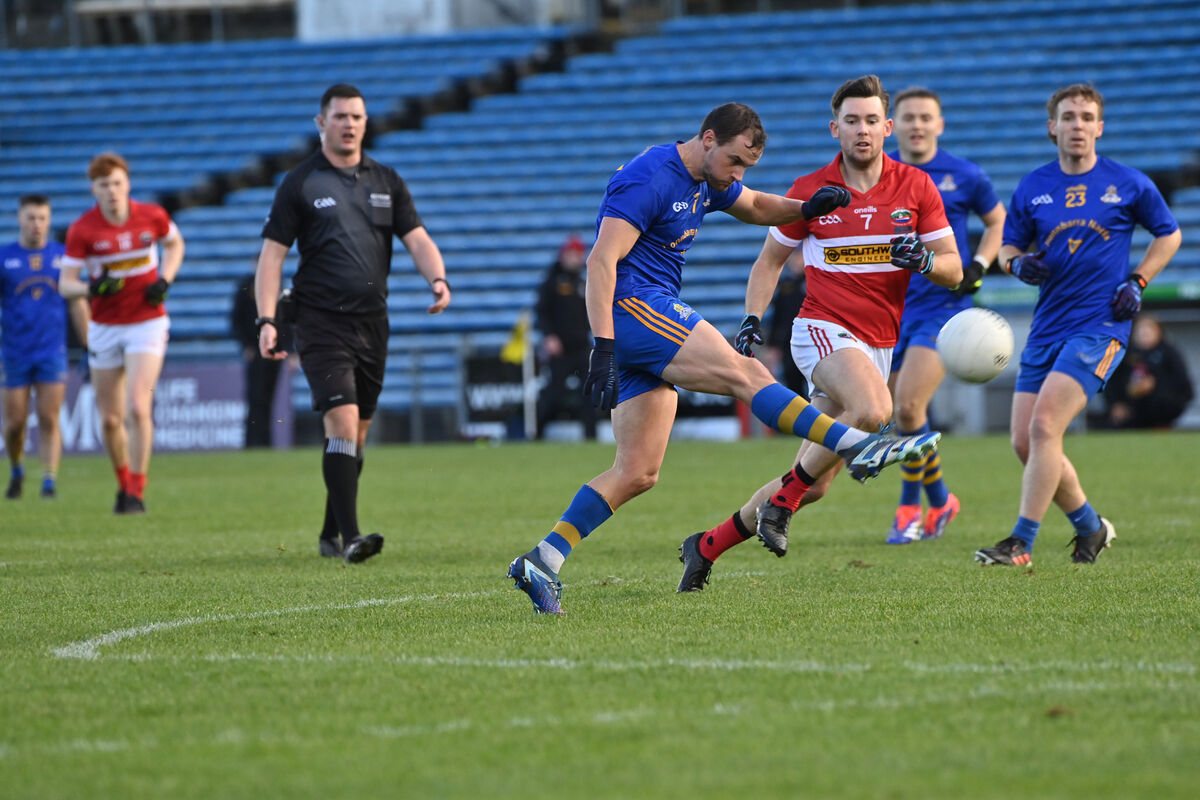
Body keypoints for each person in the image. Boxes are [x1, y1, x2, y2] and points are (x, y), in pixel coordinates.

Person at [506, 100, 943, 615]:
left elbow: (755, 206)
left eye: (745, 166)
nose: (737, 174)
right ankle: (857, 444)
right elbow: (601, 261)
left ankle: (543, 559)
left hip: (639, 319)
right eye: (735, 161)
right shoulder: (652, 177)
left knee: (638, 471)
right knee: (746, 372)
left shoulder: (707, 178)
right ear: (708, 138)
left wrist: (805, 210)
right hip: (633, 307)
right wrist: (601, 345)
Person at [677, 76, 963, 592]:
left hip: (878, 344)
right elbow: (769, 263)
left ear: (887, 128)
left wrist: (923, 260)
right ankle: (782, 503)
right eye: (852, 121)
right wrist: (751, 320)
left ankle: (707, 545)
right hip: (822, 330)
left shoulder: (917, 187)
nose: (862, 130)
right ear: (836, 129)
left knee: (814, 485)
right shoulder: (811, 190)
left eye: (871, 120)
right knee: (874, 410)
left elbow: (954, 270)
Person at [974, 84, 1180, 567]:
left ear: (1100, 127)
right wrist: (1016, 263)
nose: (1078, 125)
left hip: (1100, 326)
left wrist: (1138, 280)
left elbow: (1169, 235)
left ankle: (1021, 542)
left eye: (1087, 117)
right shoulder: (1033, 185)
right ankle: (1090, 527)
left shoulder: (1128, 183)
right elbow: (1008, 247)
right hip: (1047, 327)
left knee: (1046, 426)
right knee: (1025, 442)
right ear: (1053, 127)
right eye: (1068, 117)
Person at [255, 84, 451, 564]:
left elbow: (417, 238)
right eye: (340, 116)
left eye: (357, 117)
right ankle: (351, 538)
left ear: (365, 123)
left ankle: (329, 532)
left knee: (355, 437)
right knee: (341, 423)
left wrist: (438, 279)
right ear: (321, 122)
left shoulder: (386, 180)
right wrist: (267, 318)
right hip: (320, 323)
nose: (349, 124)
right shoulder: (300, 183)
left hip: (372, 324)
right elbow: (271, 257)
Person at [884, 87, 1007, 544]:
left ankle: (908, 508)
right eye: (909, 117)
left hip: (945, 308)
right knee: (897, 416)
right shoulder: (881, 173)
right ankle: (941, 499)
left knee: (908, 406)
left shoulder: (964, 174)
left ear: (940, 124)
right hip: (890, 309)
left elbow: (997, 221)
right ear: (894, 126)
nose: (917, 125)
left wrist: (979, 265)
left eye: (925, 117)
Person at [58, 153, 185, 514]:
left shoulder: (152, 216)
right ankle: (123, 482)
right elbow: (65, 284)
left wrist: (165, 280)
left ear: (127, 183)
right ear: (93, 190)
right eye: (104, 185)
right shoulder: (83, 229)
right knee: (111, 419)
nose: (112, 191)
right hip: (105, 328)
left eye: (117, 183)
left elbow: (175, 244)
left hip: (147, 322)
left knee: (138, 407)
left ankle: (136, 492)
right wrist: (92, 288)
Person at [1, 195, 89, 499]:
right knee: (15, 423)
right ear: (19, 219)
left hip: (52, 351)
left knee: (50, 417)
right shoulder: (4, 258)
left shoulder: (62, 257)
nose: (36, 224)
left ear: (49, 221)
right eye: (30, 218)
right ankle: (16, 469)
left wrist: (89, 345)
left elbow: (77, 302)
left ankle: (49, 482)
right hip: (14, 352)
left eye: (41, 218)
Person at [534, 234, 597, 440]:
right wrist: (549, 336)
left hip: (581, 346)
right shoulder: (551, 281)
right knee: (554, 393)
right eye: (572, 254)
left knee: (589, 391)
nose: (575, 259)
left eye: (578, 255)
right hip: (560, 349)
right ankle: (536, 434)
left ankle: (590, 436)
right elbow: (542, 312)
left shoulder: (582, 281)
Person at [1102, 314, 1194, 429]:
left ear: (1159, 332)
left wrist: (1155, 386)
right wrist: (1116, 403)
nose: (1144, 333)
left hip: (1160, 405)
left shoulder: (1169, 353)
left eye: (1149, 329)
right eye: (1140, 330)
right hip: (1130, 407)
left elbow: (1182, 385)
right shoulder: (1124, 354)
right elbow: (1111, 382)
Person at [231, 271, 284, 448]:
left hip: (275, 352)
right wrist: (246, 345)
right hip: (255, 351)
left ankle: (266, 442)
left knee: (268, 397)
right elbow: (237, 318)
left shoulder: (279, 284)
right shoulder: (246, 286)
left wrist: (287, 348)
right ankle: (252, 442)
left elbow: (285, 318)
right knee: (255, 397)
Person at [763, 251, 809, 397]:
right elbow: (777, 317)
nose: (796, 262)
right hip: (789, 342)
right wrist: (773, 345)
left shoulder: (813, 283)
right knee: (792, 381)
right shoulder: (785, 285)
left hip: (810, 340)